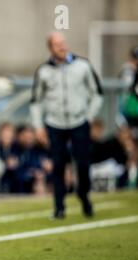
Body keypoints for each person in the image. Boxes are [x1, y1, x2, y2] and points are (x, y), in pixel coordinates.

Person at [30, 32, 103, 219]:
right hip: (55, 123)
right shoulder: (43, 71)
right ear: (50, 48)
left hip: (79, 122)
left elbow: (97, 93)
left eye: (63, 43)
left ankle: (84, 195)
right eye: (57, 44)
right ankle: (59, 206)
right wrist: (38, 126)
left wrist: (89, 116)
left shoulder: (83, 65)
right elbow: (36, 101)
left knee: (83, 164)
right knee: (58, 166)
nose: (62, 47)